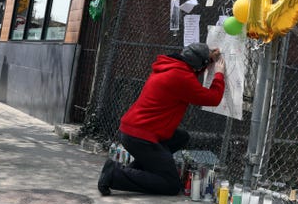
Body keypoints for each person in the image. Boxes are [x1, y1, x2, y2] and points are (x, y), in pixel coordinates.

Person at [97, 42, 226, 196]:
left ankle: (133, 170)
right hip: (141, 136)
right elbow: (213, 98)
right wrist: (219, 74)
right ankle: (114, 175)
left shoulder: (171, 67)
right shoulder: (182, 78)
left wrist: (208, 60)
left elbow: (189, 75)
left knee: (180, 137)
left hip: (135, 130)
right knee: (170, 185)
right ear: (199, 65)